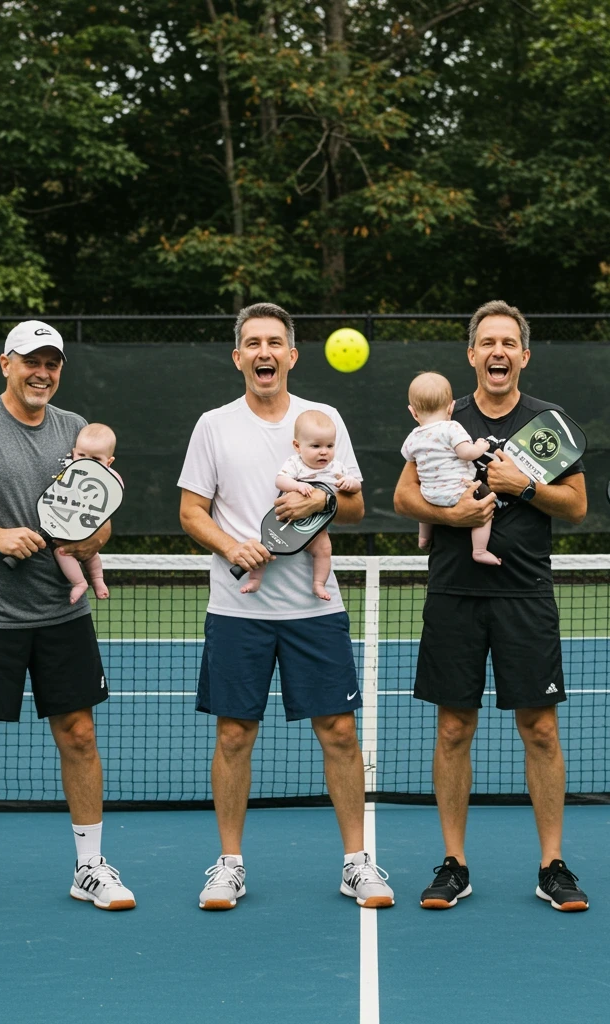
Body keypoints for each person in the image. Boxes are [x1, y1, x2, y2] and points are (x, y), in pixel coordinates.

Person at [0, 320, 135, 924]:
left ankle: (90, 867)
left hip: (62, 613)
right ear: (5, 363)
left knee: (80, 735)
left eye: (52, 363)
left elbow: (98, 522)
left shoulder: (75, 428)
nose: (42, 372)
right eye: (31, 361)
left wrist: (94, 533)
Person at [178, 302, 394, 911]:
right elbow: (191, 511)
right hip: (237, 610)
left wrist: (319, 503)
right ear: (238, 357)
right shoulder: (213, 425)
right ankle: (229, 866)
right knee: (233, 736)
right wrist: (232, 547)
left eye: (275, 342)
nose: (264, 352)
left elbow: (355, 507)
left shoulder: (323, 420)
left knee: (340, 733)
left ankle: (356, 863)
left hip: (313, 611)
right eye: (253, 343)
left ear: (292, 355)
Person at [393, 299, 590, 912]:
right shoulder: (443, 418)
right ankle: (454, 864)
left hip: (525, 594)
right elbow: (403, 498)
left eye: (509, 343)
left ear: (523, 356)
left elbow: (577, 505)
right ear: (472, 354)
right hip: (453, 591)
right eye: (487, 342)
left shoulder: (548, 424)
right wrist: (452, 516)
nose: (498, 352)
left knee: (541, 729)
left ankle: (553, 865)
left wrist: (523, 486)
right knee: (454, 728)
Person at [241, 409, 361, 600]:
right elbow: (280, 481)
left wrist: (350, 483)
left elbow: (356, 488)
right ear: (297, 446)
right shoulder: (295, 464)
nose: (324, 451)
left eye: (330, 445)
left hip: (315, 529)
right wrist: (297, 485)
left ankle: (319, 584)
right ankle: (255, 580)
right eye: (316, 446)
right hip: (286, 523)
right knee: (265, 548)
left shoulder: (336, 467)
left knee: (324, 550)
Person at [400, 371, 496, 564]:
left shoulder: (413, 436)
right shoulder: (452, 427)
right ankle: (479, 550)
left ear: (413, 412)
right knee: (485, 501)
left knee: (424, 507)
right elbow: (466, 453)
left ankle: (424, 538)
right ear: (451, 407)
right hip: (457, 493)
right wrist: (481, 446)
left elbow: (407, 455)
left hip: (429, 495)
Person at [55, 422, 123, 604]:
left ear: (109, 462)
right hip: (63, 528)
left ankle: (96, 581)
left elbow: (112, 497)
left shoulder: (109, 479)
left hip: (87, 527)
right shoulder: (68, 472)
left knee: (89, 554)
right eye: (81, 455)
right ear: (73, 453)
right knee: (63, 551)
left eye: (95, 459)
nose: (86, 461)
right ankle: (81, 582)